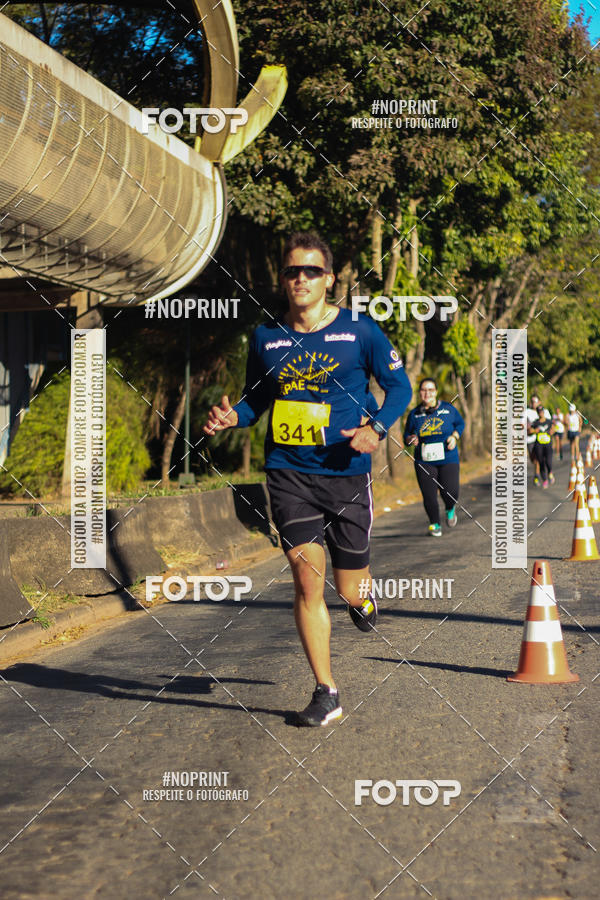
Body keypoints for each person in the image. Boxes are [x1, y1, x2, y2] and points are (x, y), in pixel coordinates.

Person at [203, 231, 411, 727]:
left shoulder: (360, 331)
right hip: (288, 474)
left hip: (346, 473)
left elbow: (399, 387)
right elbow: (256, 400)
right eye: (292, 271)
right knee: (306, 579)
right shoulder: (266, 337)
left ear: (329, 279)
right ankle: (326, 691)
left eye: (311, 270)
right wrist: (234, 417)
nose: (301, 278)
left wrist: (376, 428)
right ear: (283, 278)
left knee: (348, 588)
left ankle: (362, 598)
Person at [403, 379, 465, 536]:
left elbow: (460, 424)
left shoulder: (448, 409)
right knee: (429, 495)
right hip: (424, 460)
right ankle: (434, 524)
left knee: (450, 492)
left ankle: (450, 508)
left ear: (436, 392)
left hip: (448, 457)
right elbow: (407, 436)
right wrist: (411, 439)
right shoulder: (414, 414)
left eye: (430, 390)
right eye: (424, 390)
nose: (427, 393)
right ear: (419, 393)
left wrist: (454, 436)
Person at [528, 406, 555, 488]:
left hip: (548, 444)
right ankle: (545, 480)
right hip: (539, 445)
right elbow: (529, 431)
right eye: (539, 412)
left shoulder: (549, 421)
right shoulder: (535, 422)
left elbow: (554, 429)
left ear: (544, 412)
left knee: (548, 461)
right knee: (541, 462)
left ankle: (550, 472)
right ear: (537, 413)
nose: (541, 413)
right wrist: (534, 431)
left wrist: (552, 431)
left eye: (542, 412)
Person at [526, 394, 550, 485]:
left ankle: (537, 476)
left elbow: (550, 424)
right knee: (533, 460)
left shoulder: (545, 411)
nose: (533, 403)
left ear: (539, 402)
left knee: (538, 458)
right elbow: (523, 425)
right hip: (530, 439)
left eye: (535, 401)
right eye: (532, 401)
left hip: (541, 440)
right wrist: (530, 429)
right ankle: (539, 473)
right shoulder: (527, 412)